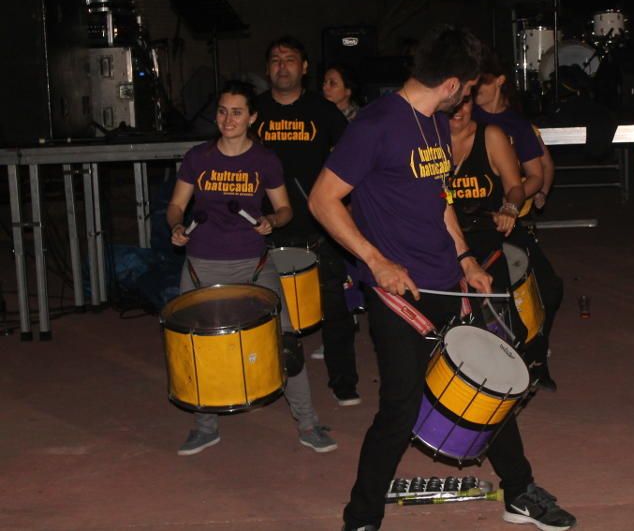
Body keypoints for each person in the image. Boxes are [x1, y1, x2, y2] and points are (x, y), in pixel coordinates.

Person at [308, 26, 576, 531]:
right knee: (400, 408)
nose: (471, 96)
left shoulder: (433, 122)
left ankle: (518, 492)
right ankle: (361, 516)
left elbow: (440, 200)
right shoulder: (376, 125)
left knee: (490, 388)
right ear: (452, 83)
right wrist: (376, 260)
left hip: (445, 281)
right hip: (397, 294)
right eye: (470, 87)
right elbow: (321, 199)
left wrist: (466, 261)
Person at [166, 81, 336, 455]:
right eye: (223, 111)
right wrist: (176, 226)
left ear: (252, 117)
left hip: (254, 266)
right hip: (200, 268)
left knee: (286, 344)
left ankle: (308, 424)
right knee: (195, 350)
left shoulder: (264, 160)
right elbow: (177, 205)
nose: (228, 119)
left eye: (237, 112)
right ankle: (205, 426)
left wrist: (272, 222)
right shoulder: (198, 157)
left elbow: (286, 208)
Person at [254, 37, 360, 406]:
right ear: (268, 69)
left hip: (319, 229)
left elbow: (353, 156)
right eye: (275, 59)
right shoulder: (253, 112)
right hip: (265, 229)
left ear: (304, 68)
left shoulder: (322, 110)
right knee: (265, 313)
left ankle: (344, 381)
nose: (282, 66)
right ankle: (265, 380)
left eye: (290, 59)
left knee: (336, 311)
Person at [474, 47, 563, 390]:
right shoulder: (465, 122)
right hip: (474, 225)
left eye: (482, 80)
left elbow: (538, 172)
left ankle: (537, 358)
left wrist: (514, 201)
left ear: (500, 81)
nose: (474, 88)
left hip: (511, 224)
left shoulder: (515, 124)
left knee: (548, 290)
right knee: (496, 297)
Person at [447, 86, 526, 341]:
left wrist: (509, 208)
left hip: (485, 235)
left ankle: (533, 361)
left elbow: (515, 187)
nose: (460, 110)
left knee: (544, 288)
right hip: (445, 239)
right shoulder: (429, 139)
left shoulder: (491, 135)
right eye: (454, 104)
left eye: (466, 102)